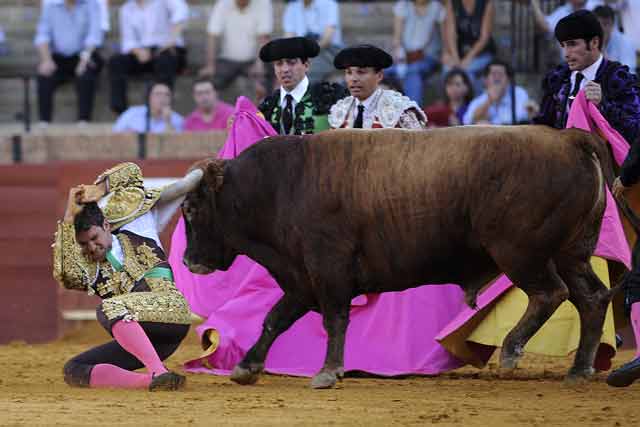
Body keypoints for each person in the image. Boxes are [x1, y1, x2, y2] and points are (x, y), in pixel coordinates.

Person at [53, 162, 204, 390]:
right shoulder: (88, 265)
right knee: (75, 368)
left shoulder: (136, 223)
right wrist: (67, 219)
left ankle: (158, 371)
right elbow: (65, 275)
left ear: (105, 224)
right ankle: (150, 381)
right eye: (84, 244)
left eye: (95, 238)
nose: (92, 247)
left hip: (171, 313)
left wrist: (100, 189)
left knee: (110, 308)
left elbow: (131, 173)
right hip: (149, 341)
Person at [533, 9, 640, 145]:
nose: (566, 53)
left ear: (594, 43)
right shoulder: (557, 77)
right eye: (563, 45)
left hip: (605, 164)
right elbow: (543, 125)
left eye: (572, 44)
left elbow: (635, 129)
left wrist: (603, 105)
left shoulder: (618, 78)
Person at [108, 0, 189, 114]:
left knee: (165, 60)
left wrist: (172, 39)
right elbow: (128, 40)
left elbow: (181, 12)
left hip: (168, 50)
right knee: (116, 61)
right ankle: (121, 112)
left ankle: (162, 108)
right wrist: (138, 52)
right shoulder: (126, 9)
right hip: (143, 52)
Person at [258, 37, 348, 135]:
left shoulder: (330, 97)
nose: (285, 69)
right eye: (279, 64)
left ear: (306, 65)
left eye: (291, 62)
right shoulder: (268, 106)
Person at [34, 0, 104, 125]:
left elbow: (94, 36)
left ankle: (84, 120)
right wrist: (46, 60)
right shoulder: (51, 7)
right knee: (44, 74)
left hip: (84, 54)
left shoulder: (92, 5)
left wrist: (83, 61)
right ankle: (44, 121)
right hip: (58, 56)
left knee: (86, 75)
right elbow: (42, 36)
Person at [328, 44, 427, 129]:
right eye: (349, 72)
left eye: (361, 72)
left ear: (379, 76)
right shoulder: (340, 110)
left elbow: (417, 148)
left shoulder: (399, 109)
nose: (353, 79)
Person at [199, 0, 273, 93]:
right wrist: (210, 65)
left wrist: (259, 65)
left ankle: (266, 106)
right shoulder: (222, 3)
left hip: (254, 60)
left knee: (265, 81)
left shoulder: (263, 3)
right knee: (208, 83)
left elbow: (264, 37)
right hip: (227, 60)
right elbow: (212, 35)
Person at [389, 0, 446, 106]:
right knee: (384, 71)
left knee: (412, 72)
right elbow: (397, 39)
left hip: (428, 56)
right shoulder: (403, 5)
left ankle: (413, 113)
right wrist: (400, 55)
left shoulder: (437, 7)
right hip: (406, 56)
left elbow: (445, 37)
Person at [282, 0, 343, 83]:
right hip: (302, 51)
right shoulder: (292, 6)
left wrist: (308, 53)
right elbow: (288, 37)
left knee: (308, 70)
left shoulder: (329, 3)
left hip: (328, 50)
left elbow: (327, 38)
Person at [441, 0, 495, 90]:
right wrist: (455, 58)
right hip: (458, 52)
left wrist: (468, 58)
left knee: (466, 72)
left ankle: (468, 102)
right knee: (447, 69)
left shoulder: (487, 3)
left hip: (480, 53)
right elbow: (451, 33)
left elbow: (484, 38)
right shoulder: (452, 2)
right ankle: (449, 102)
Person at [462, 59, 530, 125]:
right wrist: (489, 101)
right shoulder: (480, 99)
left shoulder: (519, 93)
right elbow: (467, 121)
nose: (497, 78)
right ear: (485, 80)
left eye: (500, 74)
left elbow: (522, 117)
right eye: (494, 74)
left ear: (508, 79)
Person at [113, 81, 184, 133]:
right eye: (158, 94)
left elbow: (175, 145)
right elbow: (116, 134)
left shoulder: (177, 119)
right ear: (149, 97)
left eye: (167, 95)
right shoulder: (132, 113)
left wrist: (168, 122)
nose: (163, 98)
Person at [593, 5, 637, 70]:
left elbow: (628, 72)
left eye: (605, 24)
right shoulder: (587, 42)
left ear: (613, 25)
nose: (602, 28)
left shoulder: (626, 42)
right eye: (598, 24)